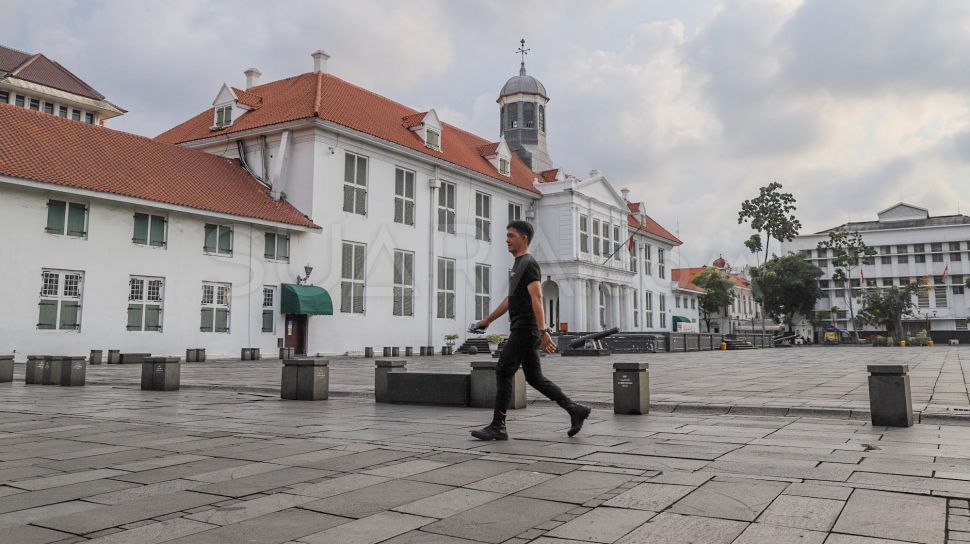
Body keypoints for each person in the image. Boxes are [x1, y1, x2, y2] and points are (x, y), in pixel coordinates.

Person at [470, 220, 591, 441]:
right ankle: (575, 409)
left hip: (525, 329)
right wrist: (487, 320)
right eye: (506, 236)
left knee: (503, 370)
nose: (507, 240)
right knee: (534, 377)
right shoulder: (518, 265)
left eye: (511, 235)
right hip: (522, 327)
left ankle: (498, 426)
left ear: (524, 238)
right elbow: (511, 299)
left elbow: (537, 297)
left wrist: (543, 330)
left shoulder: (529, 263)